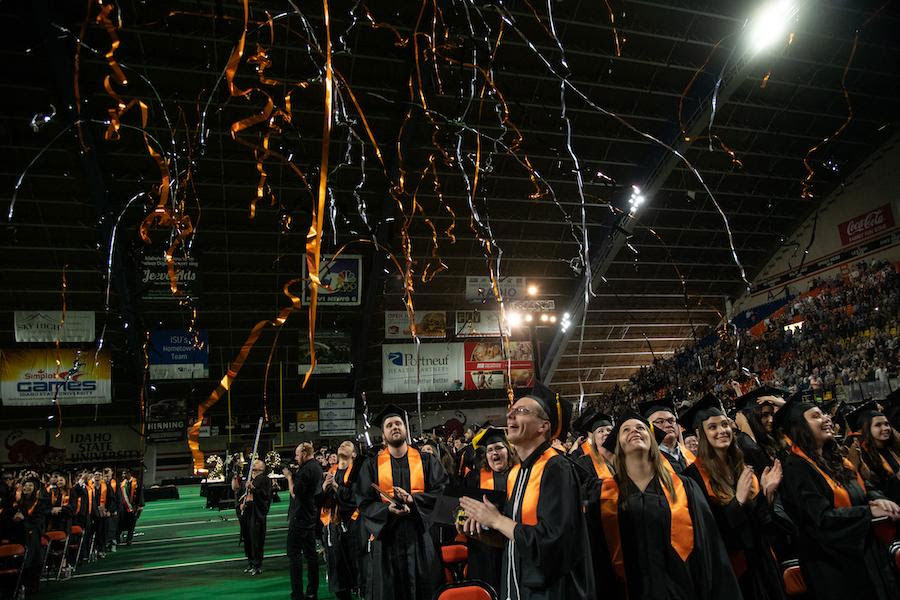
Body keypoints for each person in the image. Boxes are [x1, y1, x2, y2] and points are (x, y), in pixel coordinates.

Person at [587, 411, 742, 600]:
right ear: (618, 445)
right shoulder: (603, 495)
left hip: (683, 590)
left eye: (640, 428)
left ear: (652, 440)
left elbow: (711, 548)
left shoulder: (684, 487)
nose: (634, 431)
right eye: (625, 429)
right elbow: (596, 557)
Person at [460, 382, 593, 600]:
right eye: (511, 412)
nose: (511, 416)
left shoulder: (556, 468)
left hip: (551, 591)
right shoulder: (519, 472)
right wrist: (484, 535)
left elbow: (556, 542)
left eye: (521, 411)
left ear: (543, 426)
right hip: (519, 586)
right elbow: (516, 539)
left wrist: (497, 520)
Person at [777, 395, 900, 600]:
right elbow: (821, 519)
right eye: (816, 416)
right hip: (835, 567)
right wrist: (867, 512)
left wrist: (878, 499)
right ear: (799, 427)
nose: (826, 418)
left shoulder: (835, 458)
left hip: (868, 555)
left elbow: (865, 486)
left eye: (824, 414)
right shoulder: (795, 469)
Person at [681, 395, 786, 600]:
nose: (722, 431)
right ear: (700, 433)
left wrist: (767, 493)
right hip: (732, 569)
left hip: (762, 560)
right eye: (712, 427)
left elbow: (762, 520)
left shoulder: (742, 465)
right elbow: (709, 532)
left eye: (724, 425)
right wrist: (736, 502)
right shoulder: (691, 478)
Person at [356, 404, 449, 600]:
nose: (394, 427)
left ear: (406, 429)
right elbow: (364, 501)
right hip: (388, 538)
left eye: (398, 423)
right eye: (389, 425)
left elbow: (442, 493)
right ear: (383, 435)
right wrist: (386, 509)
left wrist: (413, 501)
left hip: (420, 537)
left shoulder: (427, 461)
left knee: (425, 589)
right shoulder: (371, 466)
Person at [462, 426, 512, 593]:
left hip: (512, 545)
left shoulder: (521, 475)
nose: (494, 453)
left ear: (509, 450)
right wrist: (462, 520)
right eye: (490, 450)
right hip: (483, 550)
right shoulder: (474, 478)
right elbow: (461, 509)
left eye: (499, 448)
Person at [320, 441, 361, 600]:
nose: (343, 445)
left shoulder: (359, 472)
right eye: (341, 445)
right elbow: (320, 502)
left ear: (354, 454)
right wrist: (324, 488)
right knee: (338, 569)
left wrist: (336, 487)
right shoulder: (331, 472)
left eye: (348, 444)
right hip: (334, 527)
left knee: (357, 567)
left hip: (354, 525)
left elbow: (357, 498)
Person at [234, 458, 272, 575]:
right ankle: (250, 561)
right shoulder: (248, 478)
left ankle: (257, 564)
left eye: (257, 463)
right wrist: (240, 504)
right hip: (247, 510)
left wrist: (253, 489)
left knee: (256, 538)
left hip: (257, 511)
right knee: (247, 537)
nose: (253, 464)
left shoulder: (264, 479)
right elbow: (238, 492)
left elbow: (265, 496)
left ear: (261, 468)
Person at [639, 398, 695, 473]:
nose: (668, 425)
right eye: (660, 421)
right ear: (649, 428)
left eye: (671, 420)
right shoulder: (647, 462)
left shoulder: (690, 455)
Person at [573, 408, 615, 480]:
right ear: (593, 438)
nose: (606, 433)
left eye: (609, 430)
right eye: (601, 431)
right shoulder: (584, 462)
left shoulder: (624, 456)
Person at [119, 468, 144, 545]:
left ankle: (129, 539)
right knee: (122, 523)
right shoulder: (122, 483)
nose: (123, 475)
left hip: (134, 506)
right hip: (124, 507)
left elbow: (140, 494)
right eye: (123, 474)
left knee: (132, 524)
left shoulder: (137, 482)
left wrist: (140, 505)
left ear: (129, 474)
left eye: (124, 473)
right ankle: (119, 537)